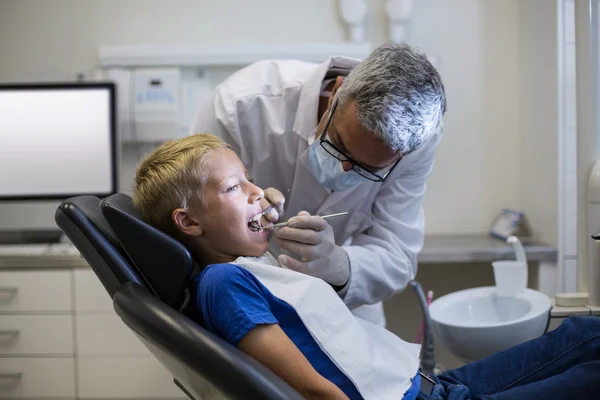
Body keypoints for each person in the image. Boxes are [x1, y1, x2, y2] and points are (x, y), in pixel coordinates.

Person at [133, 134, 600, 400]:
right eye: (236, 187)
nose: (258, 192)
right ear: (189, 221)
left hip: (431, 385)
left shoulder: (253, 267)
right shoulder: (223, 282)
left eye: (251, 179)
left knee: (585, 335)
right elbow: (317, 395)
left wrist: (260, 217)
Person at [190, 43, 447, 326]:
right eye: (338, 144)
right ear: (337, 91)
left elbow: (396, 252)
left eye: (367, 168)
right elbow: (190, 227)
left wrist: (341, 267)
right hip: (242, 296)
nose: (343, 168)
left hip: (343, 309)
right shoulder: (239, 108)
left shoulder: (416, 142)